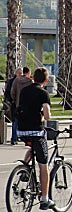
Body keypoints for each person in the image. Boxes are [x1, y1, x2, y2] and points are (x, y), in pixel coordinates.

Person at [17, 67, 54, 210]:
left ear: (32, 77)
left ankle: (24, 170)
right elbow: (47, 114)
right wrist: (44, 116)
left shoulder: (25, 90)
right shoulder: (43, 93)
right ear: (46, 80)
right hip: (36, 131)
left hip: (21, 130)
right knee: (43, 165)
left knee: (32, 148)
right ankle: (45, 199)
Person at [4, 68, 23, 145]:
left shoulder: (22, 81)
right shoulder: (12, 81)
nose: (21, 75)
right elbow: (8, 92)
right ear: (16, 73)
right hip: (14, 104)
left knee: (18, 122)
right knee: (15, 121)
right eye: (19, 73)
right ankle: (14, 138)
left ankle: (17, 137)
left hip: (20, 104)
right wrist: (11, 100)